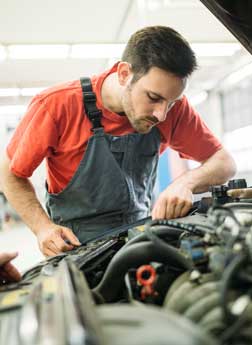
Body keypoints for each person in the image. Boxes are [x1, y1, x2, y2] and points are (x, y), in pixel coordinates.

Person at [0, 26, 236, 257]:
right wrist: (43, 228)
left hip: (142, 233)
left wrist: (186, 183)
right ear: (124, 74)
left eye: (171, 102)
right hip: (75, 247)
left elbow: (224, 163)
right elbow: (9, 172)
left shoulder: (174, 110)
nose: (161, 114)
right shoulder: (56, 105)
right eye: (153, 98)